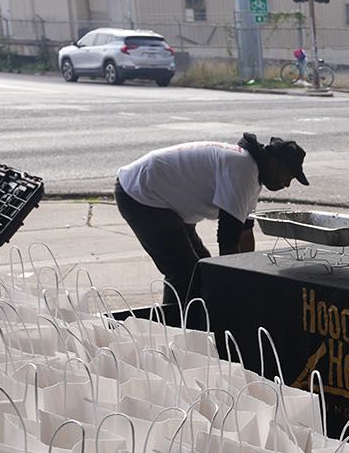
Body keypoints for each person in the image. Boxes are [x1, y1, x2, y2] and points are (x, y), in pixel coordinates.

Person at [114, 134, 308, 322]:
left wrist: (247, 276)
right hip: (141, 194)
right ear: (274, 164)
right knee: (185, 274)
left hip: (168, 201)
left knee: (203, 270)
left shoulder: (251, 171)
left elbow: (245, 233)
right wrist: (235, 292)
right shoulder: (242, 169)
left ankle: (196, 326)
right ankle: (174, 333)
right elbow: (228, 241)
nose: (287, 184)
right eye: (289, 176)